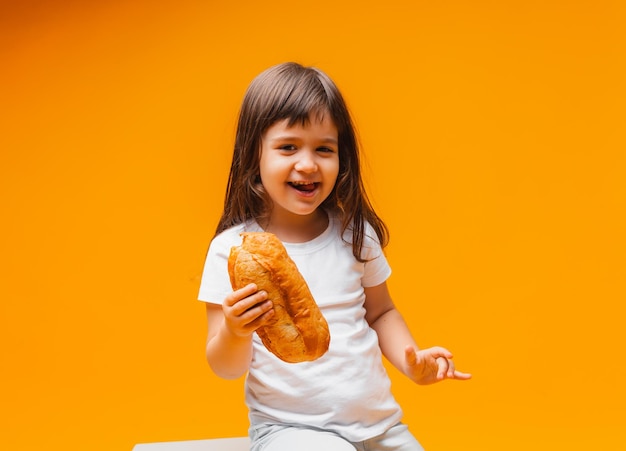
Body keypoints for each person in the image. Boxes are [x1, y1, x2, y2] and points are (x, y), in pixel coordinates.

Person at [198, 62, 471, 451]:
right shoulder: (232, 249)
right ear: (253, 154)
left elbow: (381, 313)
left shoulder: (355, 234)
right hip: (291, 432)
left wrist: (412, 362)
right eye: (288, 146)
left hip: (380, 427)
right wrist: (234, 331)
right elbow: (225, 366)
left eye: (324, 149)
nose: (308, 164)